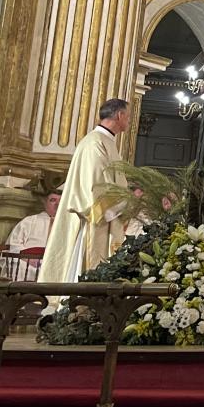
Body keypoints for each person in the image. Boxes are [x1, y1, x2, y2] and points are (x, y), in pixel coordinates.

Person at [36, 99, 131, 310]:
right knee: (86, 265)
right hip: (92, 219)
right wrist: (124, 202)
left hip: (105, 218)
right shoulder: (94, 142)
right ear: (119, 116)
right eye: (128, 116)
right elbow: (95, 185)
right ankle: (77, 308)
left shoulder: (106, 141)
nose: (129, 121)